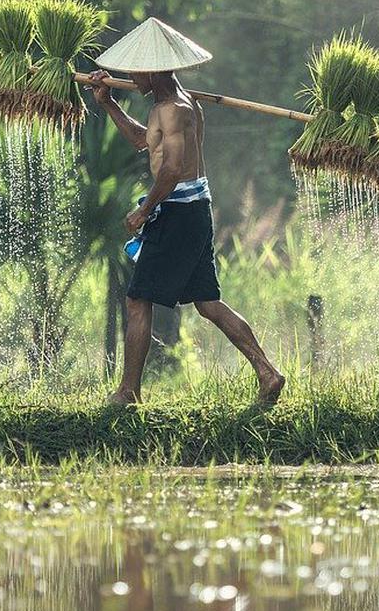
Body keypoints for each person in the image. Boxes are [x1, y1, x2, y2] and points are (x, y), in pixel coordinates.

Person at [87, 66, 286, 406]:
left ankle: (128, 393)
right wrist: (107, 103)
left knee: (137, 300)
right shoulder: (185, 103)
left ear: (156, 72)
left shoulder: (173, 109)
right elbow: (143, 141)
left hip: (178, 213)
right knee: (208, 304)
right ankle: (268, 373)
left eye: (138, 73)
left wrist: (143, 210)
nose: (133, 79)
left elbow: (172, 169)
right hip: (193, 210)